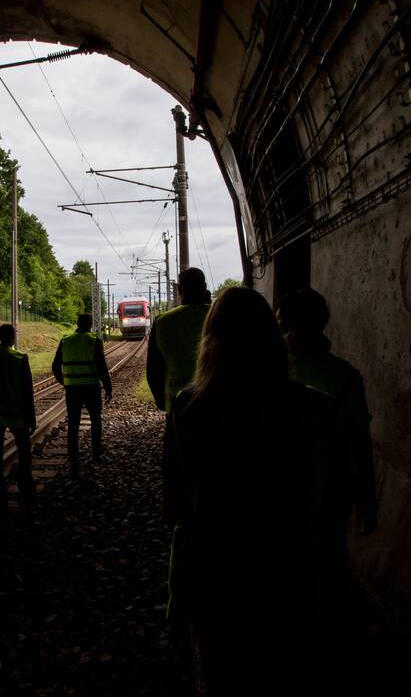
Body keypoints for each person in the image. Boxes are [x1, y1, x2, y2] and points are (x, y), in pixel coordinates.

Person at [166, 287, 342, 693]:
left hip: (217, 576)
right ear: (273, 337)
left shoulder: (187, 407)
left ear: (211, 339)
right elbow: (328, 506)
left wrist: (179, 596)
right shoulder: (317, 408)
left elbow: (176, 508)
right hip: (291, 574)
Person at [276, 287, 378, 536]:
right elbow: (359, 442)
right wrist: (366, 502)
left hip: (278, 492)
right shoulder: (346, 377)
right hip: (330, 493)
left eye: (279, 320)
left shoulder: (271, 372)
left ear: (289, 326)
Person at [145, 267, 210, 524]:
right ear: (205, 287)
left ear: (179, 291)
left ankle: (182, 521)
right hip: (220, 401)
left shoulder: (163, 322)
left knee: (178, 468)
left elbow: (153, 370)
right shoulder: (216, 316)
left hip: (178, 406)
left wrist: (163, 402)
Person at [0, 323, 37, 509]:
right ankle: (24, 485)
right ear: (12, 337)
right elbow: (27, 392)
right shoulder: (19, 358)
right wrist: (31, 417)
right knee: (24, 448)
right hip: (16, 413)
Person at [52, 313, 112, 475]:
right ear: (91, 324)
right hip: (91, 388)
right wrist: (108, 387)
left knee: (73, 424)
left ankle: (73, 459)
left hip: (73, 390)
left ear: (77, 324)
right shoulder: (94, 341)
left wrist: (65, 382)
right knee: (95, 420)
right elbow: (102, 368)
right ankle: (96, 453)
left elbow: (55, 367)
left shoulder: (65, 341)